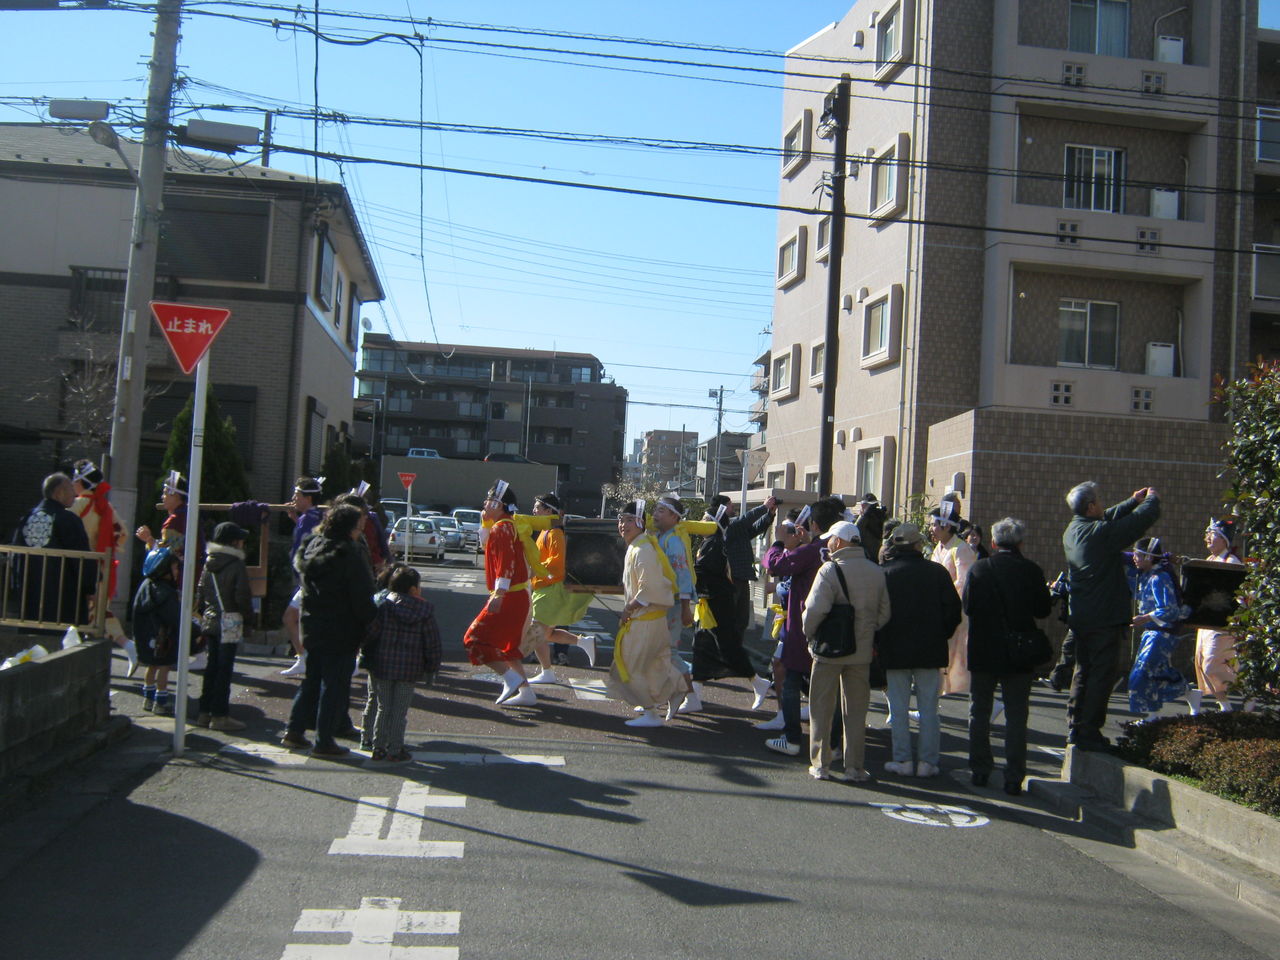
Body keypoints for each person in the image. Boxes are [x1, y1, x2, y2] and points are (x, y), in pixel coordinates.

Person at [1062, 481, 1161, 750]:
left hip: (1082, 615)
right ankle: (1090, 730)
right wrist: (1151, 500)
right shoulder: (1099, 534)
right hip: (1103, 616)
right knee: (1102, 675)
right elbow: (1137, 523)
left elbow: (1107, 519)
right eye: (1099, 499)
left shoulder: (1073, 529)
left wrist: (1132, 501)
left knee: (1083, 671)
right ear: (1091, 506)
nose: (1102, 504)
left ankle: (1076, 726)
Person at [964, 518, 1053, 795]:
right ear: (1021, 543)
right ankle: (1014, 776)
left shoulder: (979, 568)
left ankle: (980, 769)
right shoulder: (1031, 570)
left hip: (983, 649)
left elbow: (968, 607)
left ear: (992, 542)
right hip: (1019, 652)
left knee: (979, 712)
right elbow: (1042, 610)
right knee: (1016, 715)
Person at [282, 503, 378, 758]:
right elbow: (361, 595)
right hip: (341, 626)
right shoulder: (348, 553)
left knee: (312, 679)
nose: (360, 530)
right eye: (358, 526)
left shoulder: (313, 545)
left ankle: (294, 730)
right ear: (349, 527)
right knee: (334, 685)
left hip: (312, 623)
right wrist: (371, 619)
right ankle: (324, 741)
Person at [801, 520, 891, 782]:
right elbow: (884, 613)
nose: (828, 543)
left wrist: (809, 635)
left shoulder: (829, 569)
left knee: (821, 707)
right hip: (861, 651)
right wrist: (865, 631)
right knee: (856, 711)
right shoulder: (876, 571)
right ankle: (854, 767)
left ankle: (821, 764)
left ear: (839, 541)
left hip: (828, 649)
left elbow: (814, 610)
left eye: (831, 539)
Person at [759, 496, 846, 755]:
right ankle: (834, 744)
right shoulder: (843, 550)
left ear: (814, 524)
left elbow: (775, 564)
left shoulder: (810, 551)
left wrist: (779, 542)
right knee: (832, 687)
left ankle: (792, 738)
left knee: (791, 678)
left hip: (804, 624)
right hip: (838, 625)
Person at [876, 522, 962, 778]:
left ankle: (902, 759)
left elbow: (876, 613)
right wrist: (941, 634)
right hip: (930, 649)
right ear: (917, 545)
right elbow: (953, 611)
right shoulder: (936, 572)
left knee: (898, 708)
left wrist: (880, 640)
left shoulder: (885, 573)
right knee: (929, 709)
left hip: (894, 648)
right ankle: (928, 762)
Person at [692, 494, 778, 706]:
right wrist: (763, 507)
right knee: (711, 638)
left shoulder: (722, 534)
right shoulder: (722, 531)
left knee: (726, 631)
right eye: (730, 506)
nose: (733, 509)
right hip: (722, 589)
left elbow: (752, 528)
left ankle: (748, 676)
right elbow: (744, 520)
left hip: (728, 586)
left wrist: (769, 514)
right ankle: (695, 692)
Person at [606, 501, 686, 728]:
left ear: (640, 522)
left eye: (629, 520)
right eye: (621, 520)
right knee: (653, 665)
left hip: (645, 621)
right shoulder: (639, 545)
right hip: (651, 620)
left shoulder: (642, 549)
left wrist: (628, 608)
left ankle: (651, 712)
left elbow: (649, 588)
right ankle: (675, 690)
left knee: (630, 666)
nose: (623, 525)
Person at [462, 481, 537, 707]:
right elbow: (486, 545)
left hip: (509, 596)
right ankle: (526, 692)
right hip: (515, 595)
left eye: (489, 500)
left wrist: (499, 594)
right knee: (507, 647)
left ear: (499, 504)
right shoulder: (504, 526)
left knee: (474, 639)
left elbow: (505, 563)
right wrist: (485, 521)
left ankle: (511, 679)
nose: (485, 504)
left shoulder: (503, 528)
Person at [361, 564, 442, 763]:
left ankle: (378, 747)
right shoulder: (424, 611)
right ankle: (395, 748)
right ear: (413, 589)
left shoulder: (385, 607)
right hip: (409, 669)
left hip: (383, 665)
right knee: (399, 711)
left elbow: (371, 633)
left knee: (383, 707)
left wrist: (364, 651)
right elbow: (432, 642)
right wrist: (431, 666)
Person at [69, 460, 138, 675]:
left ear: (81, 482)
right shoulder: (105, 506)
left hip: (81, 567)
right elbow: (122, 532)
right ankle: (125, 646)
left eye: (74, 479)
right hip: (102, 566)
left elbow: (63, 528)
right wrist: (106, 548)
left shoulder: (79, 504)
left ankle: (126, 645)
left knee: (90, 615)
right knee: (98, 614)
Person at [522, 492, 596, 684]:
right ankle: (582, 642)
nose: (534, 511)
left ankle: (546, 672)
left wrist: (534, 569)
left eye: (537, 507)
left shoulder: (554, 533)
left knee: (536, 633)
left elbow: (557, 562)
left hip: (550, 589)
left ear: (548, 511)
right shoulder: (547, 531)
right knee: (546, 634)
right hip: (545, 587)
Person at [13, 472, 95, 628]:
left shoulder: (27, 518)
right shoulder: (68, 520)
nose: (74, 494)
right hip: (63, 597)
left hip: (29, 594)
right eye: (70, 489)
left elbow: (16, 555)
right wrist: (90, 587)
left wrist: (16, 586)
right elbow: (81, 558)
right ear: (59, 493)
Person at [194, 522, 255, 731]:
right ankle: (220, 715)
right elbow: (242, 596)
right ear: (233, 542)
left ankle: (204, 712)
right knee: (224, 669)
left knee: (212, 667)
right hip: (230, 620)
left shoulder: (208, 563)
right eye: (240, 540)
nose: (243, 543)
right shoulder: (236, 564)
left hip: (211, 619)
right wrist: (248, 620)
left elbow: (201, 592)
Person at [1125, 537, 1190, 723]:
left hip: (1162, 633)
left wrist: (1145, 618)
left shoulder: (1159, 577)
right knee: (1157, 672)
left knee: (1142, 673)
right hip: (1152, 632)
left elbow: (1170, 609)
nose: (1134, 558)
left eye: (1138, 555)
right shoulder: (1147, 576)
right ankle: (1189, 693)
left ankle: (1152, 716)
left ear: (1149, 557)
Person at [1189, 519, 1243, 714]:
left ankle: (1247, 686)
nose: (1207, 538)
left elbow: (1239, 594)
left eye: (1211, 535)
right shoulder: (1210, 560)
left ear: (1223, 539)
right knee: (1203, 662)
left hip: (1222, 623)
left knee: (1211, 664)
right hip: (1206, 622)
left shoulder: (1232, 562)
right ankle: (1224, 705)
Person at [928, 499, 975, 695]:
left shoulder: (961, 549)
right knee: (945, 658)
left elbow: (964, 582)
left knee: (957, 658)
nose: (931, 529)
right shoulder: (939, 548)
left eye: (933, 524)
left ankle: (983, 701)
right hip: (941, 609)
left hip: (956, 611)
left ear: (946, 526)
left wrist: (942, 598)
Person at [280, 476, 325, 678]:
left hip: (309, 580)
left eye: (297, 495)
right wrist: (295, 519)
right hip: (313, 579)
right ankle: (305, 658)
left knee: (291, 618)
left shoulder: (309, 519)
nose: (293, 498)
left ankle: (305, 659)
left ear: (308, 498)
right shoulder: (316, 517)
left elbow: (304, 549)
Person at [133, 547, 182, 716]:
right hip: (164, 636)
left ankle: (148, 698)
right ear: (164, 569)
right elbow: (173, 616)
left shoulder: (145, 586)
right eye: (174, 568)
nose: (177, 572)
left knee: (151, 665)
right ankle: (160, 702)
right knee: (164, 667)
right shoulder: (166, 591)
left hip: (147, 635)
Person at [135, 470, 203, 585]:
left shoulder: (175, 521)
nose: (163, 497)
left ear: (176, 496)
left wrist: (149, 540)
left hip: (179, 579)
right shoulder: (187, 515)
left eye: (166, 493)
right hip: (193, 574)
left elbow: (168, 555)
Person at [854, 493, 886, 563]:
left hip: (877, 557)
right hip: (866, 558)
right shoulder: (861, 519)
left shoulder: (878, 517)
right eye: (863, 506)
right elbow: (857, 529)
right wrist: (865, 515)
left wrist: (883, 517)